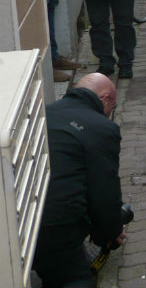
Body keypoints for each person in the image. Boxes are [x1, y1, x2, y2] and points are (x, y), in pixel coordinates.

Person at [33, 73, 126, 288]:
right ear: (105, 98)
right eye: (113, 107)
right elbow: (104, 195)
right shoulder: (102, 128)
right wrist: (109, 234)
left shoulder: (45, 112)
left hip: (23, 213)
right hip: (55, 224)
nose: (110, 114)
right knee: (75, 277)